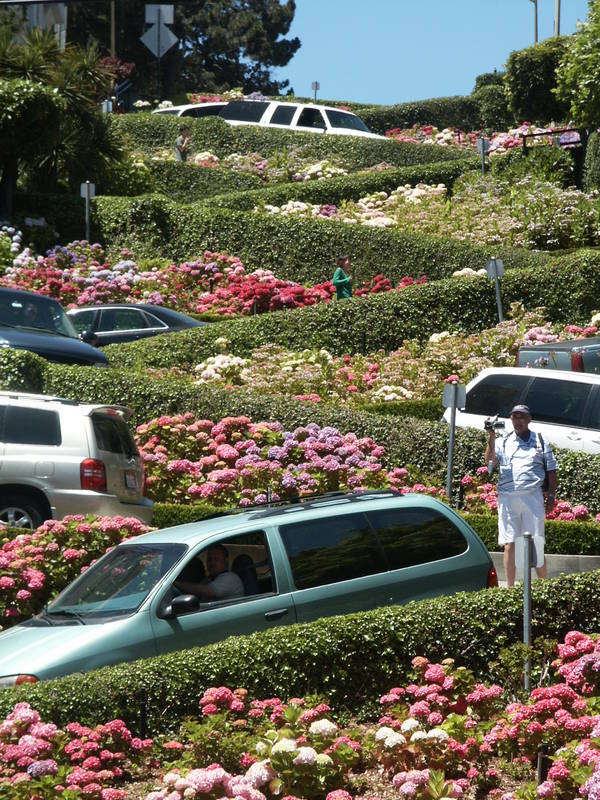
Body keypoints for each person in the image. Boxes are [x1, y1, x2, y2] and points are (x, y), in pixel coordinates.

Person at [485, 404, 557, 588]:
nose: (518, 420)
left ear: (529, 419)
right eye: (515, 417)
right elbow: (490, 462)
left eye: (522, 417)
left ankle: (544, 586)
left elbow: (551, 469)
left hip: (532, 497)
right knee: (509, 543)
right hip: (508, 498)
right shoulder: (503, 441)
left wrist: (551, 496)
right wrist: (491, 437)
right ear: (511, 420)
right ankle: (509, 588)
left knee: (535, 543)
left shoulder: (540, 440)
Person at [174, 543, 243, 600]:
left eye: (216, 559)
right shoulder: (209, 579)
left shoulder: (230, 578)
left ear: (226, 561)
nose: (212, 563)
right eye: (210, 559)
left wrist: (176, 584)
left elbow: (208, 591)